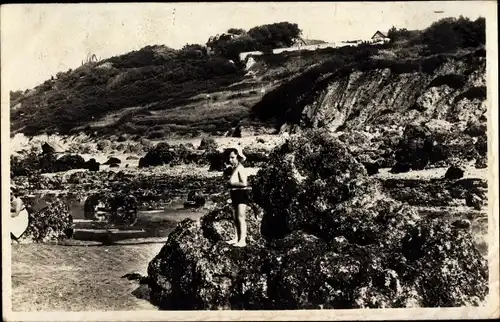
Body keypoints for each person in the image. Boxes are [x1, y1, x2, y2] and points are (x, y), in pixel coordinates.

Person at [224, 147, 250, 247]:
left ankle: (242, 240)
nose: (230, 160)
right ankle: (236, 238)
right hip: (234, 194)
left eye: (232, 157)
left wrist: (232, 183)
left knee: (241, 217)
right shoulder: (234, 168)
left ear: (238, 157)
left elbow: (244, 183)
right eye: (229, 158)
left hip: (241, 194)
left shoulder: (240, 168)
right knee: (235, 217)